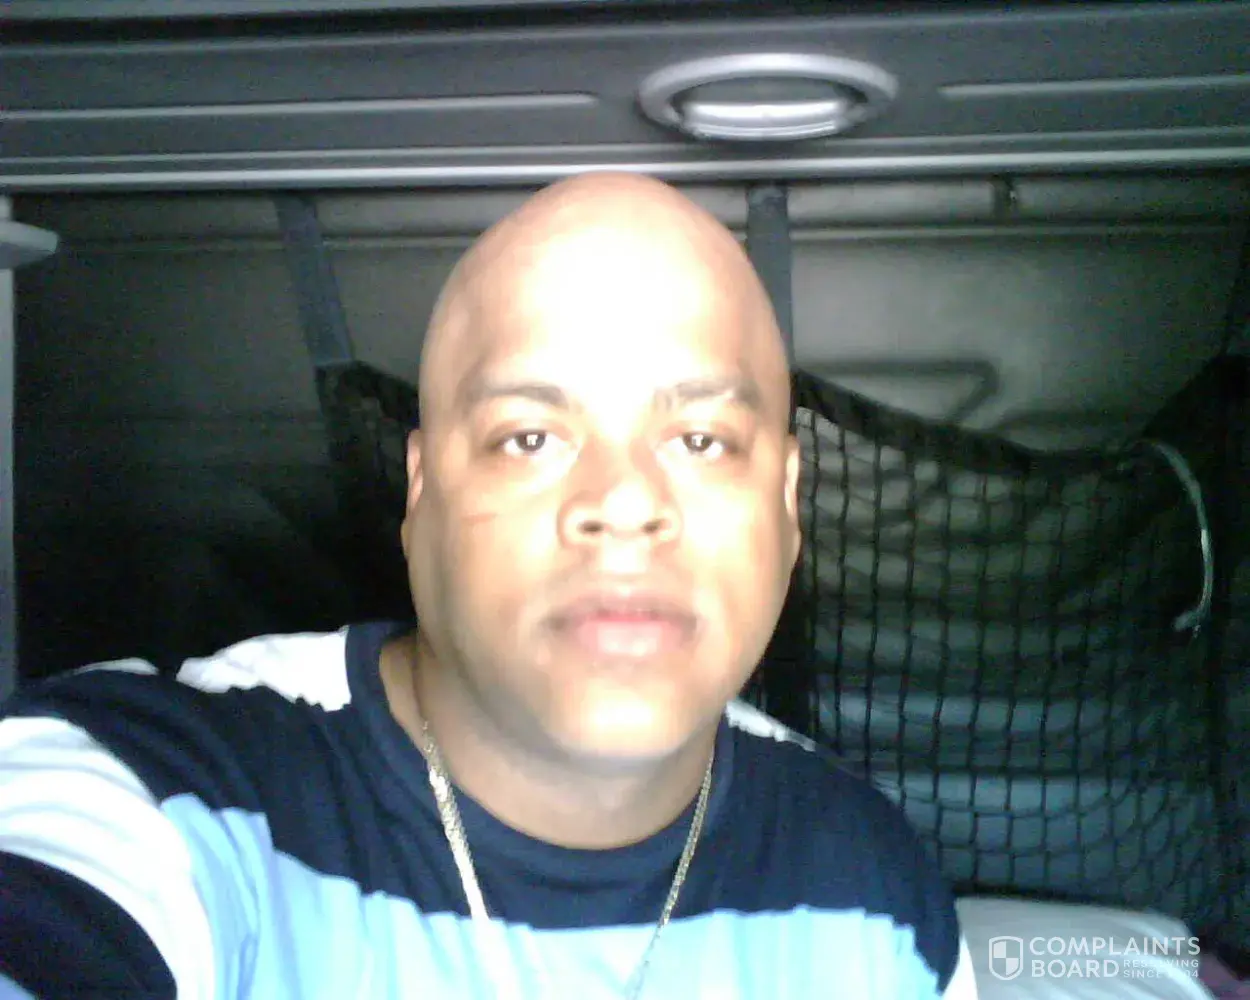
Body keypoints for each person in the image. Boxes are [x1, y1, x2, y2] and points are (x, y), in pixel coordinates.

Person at [0, 173, 977, 999]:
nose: (623, 503)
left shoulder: (875, 891)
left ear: (787, 504)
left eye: (700, 440)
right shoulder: (160, 788)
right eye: (529, 437)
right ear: (420, 492)